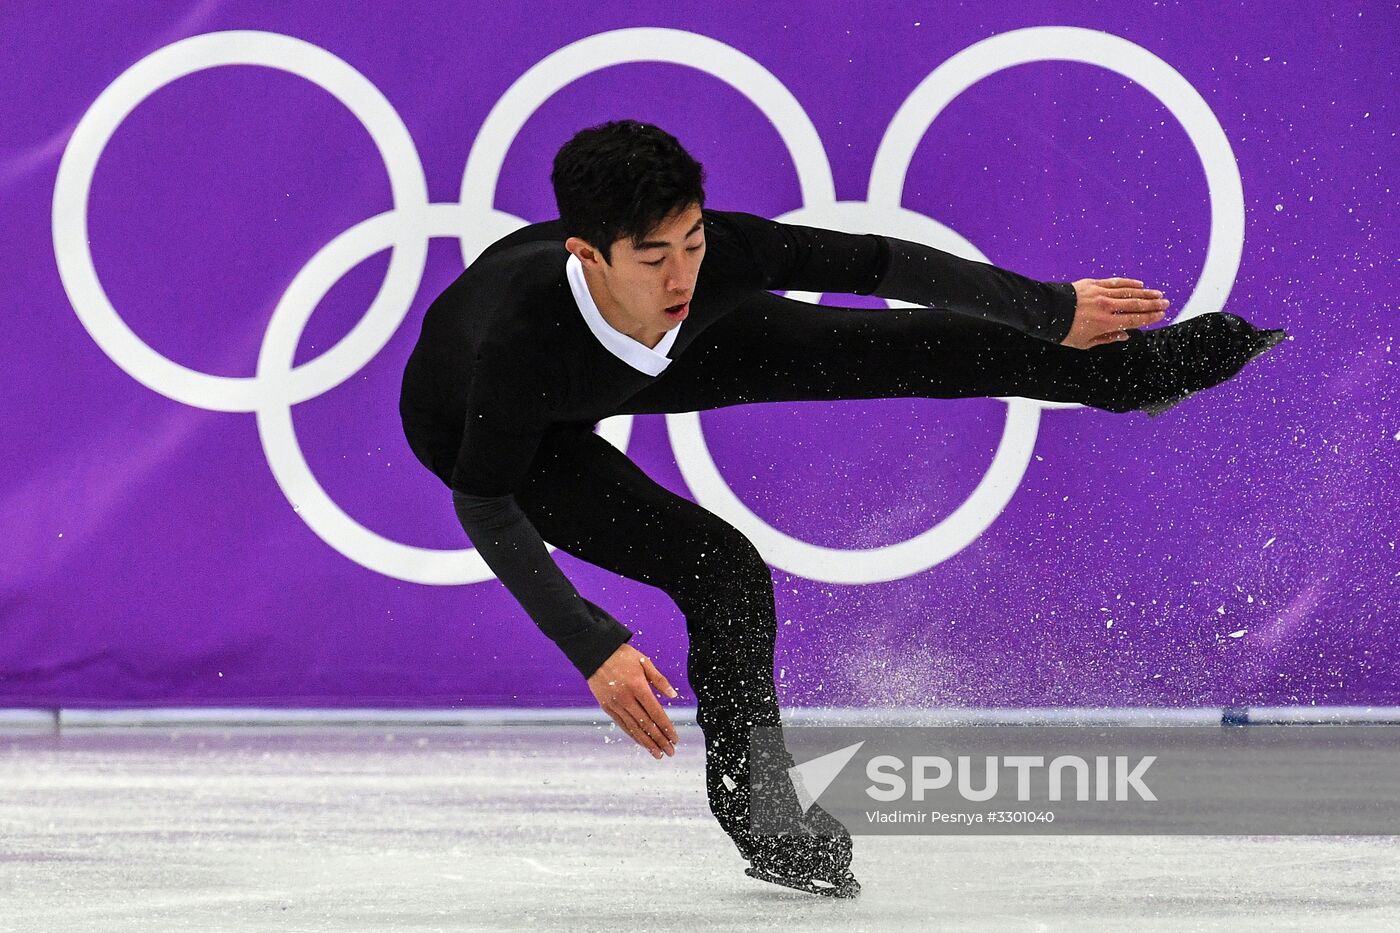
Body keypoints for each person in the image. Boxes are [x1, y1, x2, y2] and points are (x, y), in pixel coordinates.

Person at [398, 119, 1286, 897]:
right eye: (655, 256)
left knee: (882, 349)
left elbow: (878, 262)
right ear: (588, 255)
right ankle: (766, 818)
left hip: (635, 354)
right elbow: (485, 501)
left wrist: (1049, 308)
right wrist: (591, 642)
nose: (682, 275)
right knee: (721, 567)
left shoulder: (713, 267)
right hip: (486, 434)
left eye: (693, 241)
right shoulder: (517, 345)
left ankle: (1125, 377)